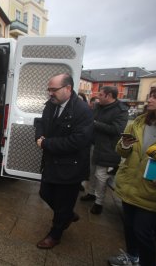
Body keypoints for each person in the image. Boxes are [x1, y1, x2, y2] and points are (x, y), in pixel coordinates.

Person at [35, 73, 93, 249]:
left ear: (68, 88)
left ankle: (55, 235)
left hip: (71, 168)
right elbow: (40, 123)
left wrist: (46, 143)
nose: (50, 93)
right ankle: (67, 215)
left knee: (63, 202)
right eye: (49, 90)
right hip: (52, 162)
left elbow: (78, 141)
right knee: (44, 193)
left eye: (54, 89)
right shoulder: (51, 105)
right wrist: (39, 136)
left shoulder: (83, 111)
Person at [108, 86, 156, 266]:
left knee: (143, 232)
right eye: (150, 96)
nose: (150, 100)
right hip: (130, 185)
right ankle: (132, 257)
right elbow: (122, 152)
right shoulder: (138, 123)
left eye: (155, 97)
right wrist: (124, 145)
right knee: (129, 227)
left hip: (153, 190)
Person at [80, 86, 128, 214]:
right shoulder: (97, 107)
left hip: (108, 149)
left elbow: (117, 130)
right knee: (91, 172)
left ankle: (99, 202)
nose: (98, 97)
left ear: (109, 95)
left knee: (101, 176)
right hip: (93, 146)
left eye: (100, 95)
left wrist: (94, 123)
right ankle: (91, 193)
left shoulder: (121, 110)